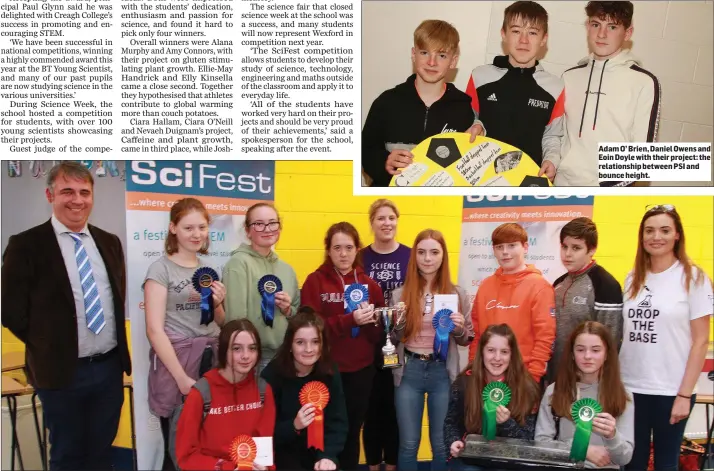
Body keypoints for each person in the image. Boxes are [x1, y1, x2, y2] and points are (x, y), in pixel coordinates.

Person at [1, 162, 132, 470]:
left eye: (84, 192)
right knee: (67, 455)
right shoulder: (26, 245)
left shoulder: (109, 242)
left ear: (92, 196)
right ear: (50, 195)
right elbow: (11, 312)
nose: (77, 200)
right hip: (61, 373)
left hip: (108, 369)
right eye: (67, 191)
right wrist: (49, 344)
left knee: (102, 452)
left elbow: (116, 299)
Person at [619, 205, 712, 471]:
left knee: (665, 463)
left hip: (671, 390)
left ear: (677, 235)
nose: (655, 236)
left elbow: (701, 341)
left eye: (664, 230)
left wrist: (684, 394)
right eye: (649, 230)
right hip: (630, 388)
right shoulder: (632, 278)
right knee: (631, 462)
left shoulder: (694, 278)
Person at [144, 198, 227, 470]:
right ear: (173, 228)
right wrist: (181, 378)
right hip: (176, 364)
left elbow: (220, 322)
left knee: (209, 441)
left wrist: (217, 304)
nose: (196, 234)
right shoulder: (160, 269)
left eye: (202, 227)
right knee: (177, 447)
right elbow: (155, 330)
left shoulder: (208, 269)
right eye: (189, 228)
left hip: (210, 361)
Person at [301, 222, 385, 470]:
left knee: (351, 432)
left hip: (360, 372)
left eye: (349, 247)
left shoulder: (370, 285)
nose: (343, 253)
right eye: (337, 247)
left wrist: (369, 322)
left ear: (357, 249)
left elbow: (378, 336)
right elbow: (310, 329)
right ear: (328, 250)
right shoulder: (315, 282)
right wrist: (350, 320)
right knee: (321, 430)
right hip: (325, 371)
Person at [390, 229, 475, 471]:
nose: (427, 258)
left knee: (440, 443)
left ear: (443, 256)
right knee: (408, 444)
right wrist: (399, 323)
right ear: (414, 256)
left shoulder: (457, 293)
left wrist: (458, 327)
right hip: (409, 372)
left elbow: (466, 339)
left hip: (442, 373)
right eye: (422, 252)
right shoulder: (400, 294)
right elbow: (392, 338)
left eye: (434, 252)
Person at [362, 19, 483, 187]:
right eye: (425, 53)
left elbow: (471, 164)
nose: (431, 62)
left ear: (453, 61)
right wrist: (384, 161)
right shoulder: (386, 102)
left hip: (437, 206)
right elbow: (365, 150)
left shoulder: (463, 108)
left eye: (441, 55)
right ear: (413, 54)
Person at [552, 1, 661, 187]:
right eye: (596, 25)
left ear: (628, 33)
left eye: (612, 27)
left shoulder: (644, 82)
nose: (601, 34)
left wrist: (606, 190)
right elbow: (556, 134)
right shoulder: (569, 77)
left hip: (609, 194)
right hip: (562, 188)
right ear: (588, 27)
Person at [465, 0, 564, 178]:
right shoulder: (479, 76)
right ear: (504, 34)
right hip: (480, 179)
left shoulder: (555, 87)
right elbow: (467, 121)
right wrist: (475, 126)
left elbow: (552, 136)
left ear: (544, 39)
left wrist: (551, 161)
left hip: (529, 181)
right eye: (516, 31)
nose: (524, 40)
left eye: (532, 33)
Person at [175, 319, 276, 470]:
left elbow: (265, 451)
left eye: (252, 348)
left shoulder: (263, 390)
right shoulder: (201, 393)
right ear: (223, 351)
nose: (246, 356)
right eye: (237, 349)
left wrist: (265, 467)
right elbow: (186, 456)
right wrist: (227, 468)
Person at [535, 321, 634, 469]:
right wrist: (583, 450)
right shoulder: (554, 392)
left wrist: (612, 436)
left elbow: (625, 458)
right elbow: (541, 445)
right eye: (580, 350)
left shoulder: (623, 395)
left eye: (595, 350)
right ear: (572, 354)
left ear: (607, 354)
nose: (587, 356)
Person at [222, 203, 301, 387]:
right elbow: (235, 320)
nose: (267, 229)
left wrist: (288, 309)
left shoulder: (287, 269)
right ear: (248, 231)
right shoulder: (237, 264)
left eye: (272, 223)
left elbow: (297, 315)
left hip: (283, 357)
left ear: (279, 227)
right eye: (259, 224)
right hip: (252, 360)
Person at [261, 307, 349, 471]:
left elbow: (338, 422)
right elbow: (265, 432)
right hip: (283, 454)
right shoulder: (272, 375)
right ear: (290, 345)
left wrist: (328, 456)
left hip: (320, 453)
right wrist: (294, 425)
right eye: (300, 342)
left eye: (315, 342)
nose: (309, 349)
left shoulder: (330, 371)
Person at [468, 223, 555, 384]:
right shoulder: (486, 286)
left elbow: (545, 337)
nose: (505, 252)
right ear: (493, 250)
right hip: (486, 378)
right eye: (500, 247)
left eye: (512, 245)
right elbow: (477, 334)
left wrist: (533, 378)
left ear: (525, 247)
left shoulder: (540, 286)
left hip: (524, 378)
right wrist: (473, 369)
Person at [359, 199, 411, 471]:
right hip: (368, 343)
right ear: (372, 223)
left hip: (400, 343)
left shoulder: (410, 255)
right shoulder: (360, 257)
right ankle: (371, 465)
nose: (387, 223)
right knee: (371, 412)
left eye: (391, 217)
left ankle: (391, 465)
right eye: (380, 218)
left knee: (394, 412)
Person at [445, 324, 541, 470]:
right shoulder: (464, 383)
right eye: (491, 350)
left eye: (504, 352)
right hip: (473, 459)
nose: (497, 358)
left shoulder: (527, 387)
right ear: (482, 352)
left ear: (512, 354)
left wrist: (507, 423)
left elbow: (529, 441)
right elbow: (451, 423)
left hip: (509, 461)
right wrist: (454, 441)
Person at [547, 217, 623, 384]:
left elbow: (611, 341)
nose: (568, 254)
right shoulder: (558, 283)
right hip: (555, 379)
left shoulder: (605, 285)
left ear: (592, 250)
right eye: (564, 247)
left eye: (576, 248)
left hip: (588, 385)